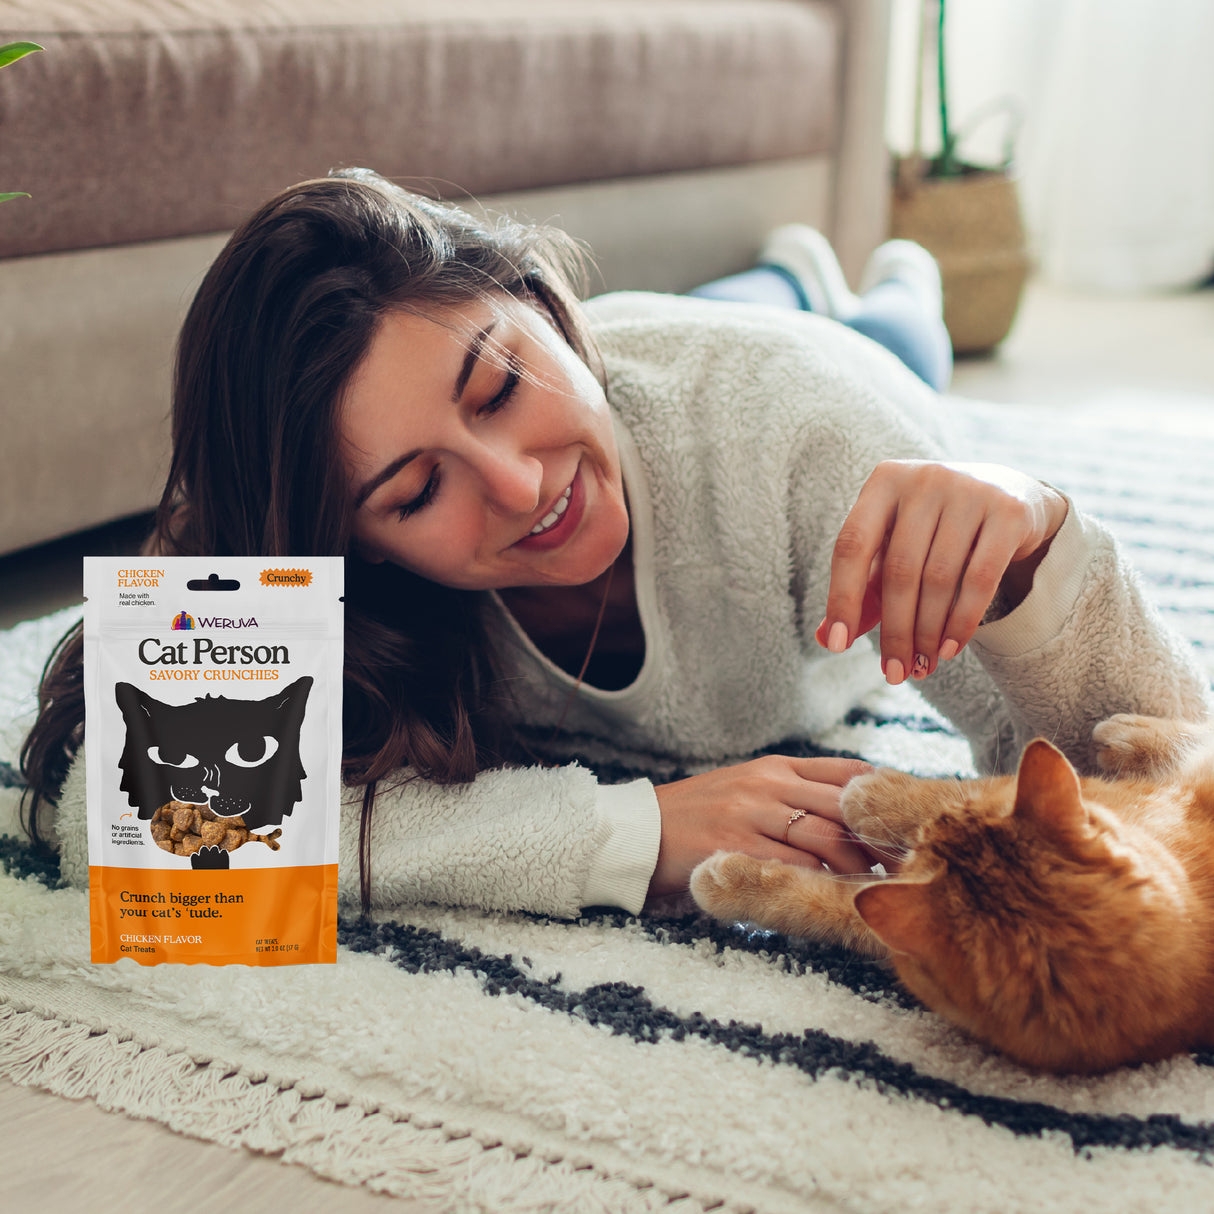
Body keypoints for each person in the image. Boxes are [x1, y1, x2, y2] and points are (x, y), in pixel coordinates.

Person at [21, 168, 1209, 919]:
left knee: (896, 332)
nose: (517, 484)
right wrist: (627, 830)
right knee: (718, 327)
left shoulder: (815, 437)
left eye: (498, 387)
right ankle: (777, 277)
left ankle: (871, 286)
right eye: (417, 489)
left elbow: (1155, 784)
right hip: (646, 362)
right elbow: (129, 826)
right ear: (352, 541)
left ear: (542, 303)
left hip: (825, 368)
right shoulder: (321, 534)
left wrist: (1039, 554)